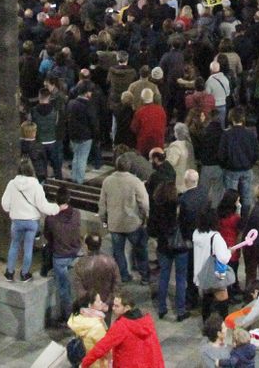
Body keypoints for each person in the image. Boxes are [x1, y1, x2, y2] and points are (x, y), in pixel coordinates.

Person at [0, 158, 60, 282]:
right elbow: (43, 206)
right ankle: (24, 274)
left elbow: (5, 204)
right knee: (28, 247)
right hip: (32, 222)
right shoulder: (36, 185)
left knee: (14, 245)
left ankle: (9, 273)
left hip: (16, 221)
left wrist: (14, 209)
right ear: (31, 170)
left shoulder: (12, 184)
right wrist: (56, 208)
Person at [99, 153, 151, 284]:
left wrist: (103, 219)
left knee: (118, 252)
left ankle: (124, 276)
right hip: (132, 223)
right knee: (140, 250)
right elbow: (144, 203)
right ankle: (145, 276)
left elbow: (102, 203)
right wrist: (146, 217)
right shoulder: (135, 181)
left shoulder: (107, 181)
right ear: (130, 167)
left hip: (115, 223)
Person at [81, 293, 165, 367]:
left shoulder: (121, 326)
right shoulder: (147, 320)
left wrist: (84, 363)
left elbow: (102, 347)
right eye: (113, 305)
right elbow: (155, 350)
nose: (113, 308)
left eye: (117, 306)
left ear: (127, 308)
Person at [148, 175, 190, 320]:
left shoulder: (156, 208)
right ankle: (180, 310)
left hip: (163, 247)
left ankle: (161, 308)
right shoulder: (180, 205)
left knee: (163, 276)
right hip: (180, 247)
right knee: (180, 278)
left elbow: (151, 230)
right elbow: (187, 226)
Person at [45, 183, 85, 323]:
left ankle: (67, 316)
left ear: (56, 200)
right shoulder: (77, 214)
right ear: (69, 199)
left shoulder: (51, 218)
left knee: (63, 289)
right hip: (76, 252)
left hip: (60, 256)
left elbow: (48, 237)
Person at [68, 292, 110, 366]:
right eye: (98, 301)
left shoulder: (76, 318)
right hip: (97, 363)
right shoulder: (96, 326)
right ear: (90, 306)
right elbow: (106, 349)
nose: (101, 303)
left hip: (84, 361)